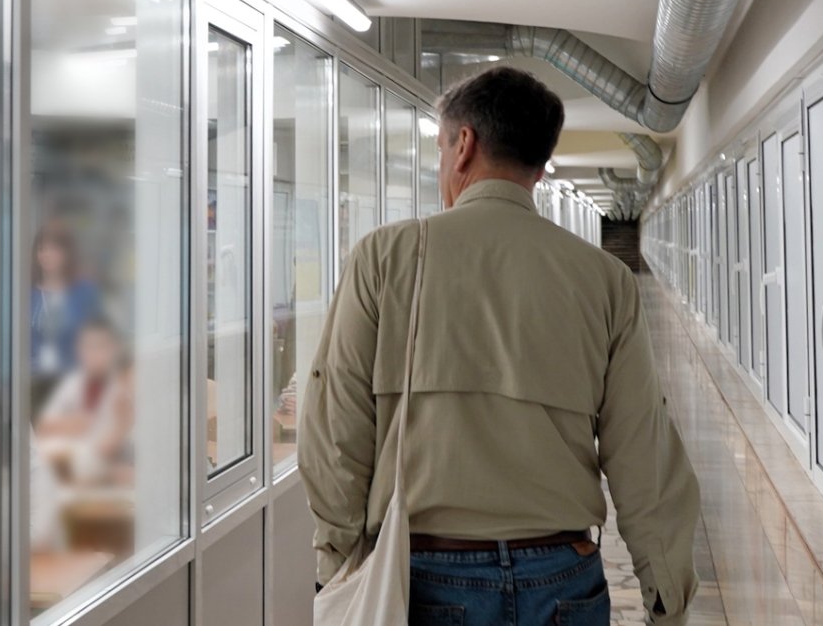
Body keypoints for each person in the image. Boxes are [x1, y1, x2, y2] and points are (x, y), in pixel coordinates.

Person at [299, 67, 701, 625]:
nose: (442, 164)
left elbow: (336, 429)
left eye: (441, 147)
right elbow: (643, 451)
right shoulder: (604, 279)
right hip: (565, 578)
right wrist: (665, 592)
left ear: (463, 146)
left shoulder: (385, 258)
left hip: (423, 578)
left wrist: (336, 559)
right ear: (539, 166)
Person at [35, 318, 131, 481]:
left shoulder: (124, 389)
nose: (93, 354)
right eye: (87, 347)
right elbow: (44, 427)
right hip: (69, 474)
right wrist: (74, 424)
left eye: (100, 346)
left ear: (115, 349)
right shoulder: (72, 383)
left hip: (107, 480)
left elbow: (112, 448)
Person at [30, 221, 100, 383]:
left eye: (54, 249)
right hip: (33, 383)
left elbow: (97, 340)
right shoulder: (26, 294)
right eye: (42, 249)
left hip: (75, 380)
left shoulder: (84, 292)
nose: (47, 254)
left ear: (67, 253)